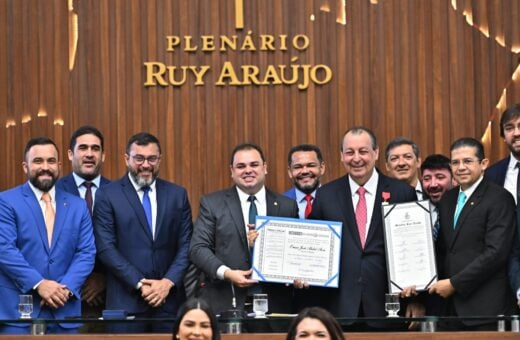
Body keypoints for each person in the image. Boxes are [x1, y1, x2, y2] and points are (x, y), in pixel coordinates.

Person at [305, 127, 416, 324]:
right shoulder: (326, 195)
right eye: (349, 152)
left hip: (388, 307)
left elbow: (415, 248)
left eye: (363, 151)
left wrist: (418, 299)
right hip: (339, 308)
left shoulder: (402, 193)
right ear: (341, 156)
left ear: (376, 153)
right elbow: (312, 248)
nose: (356, 158)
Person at [93, 132, 192, 333]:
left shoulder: (177, 195)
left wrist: (167, 283)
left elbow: (187, 245)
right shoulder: (107, 195)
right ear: (126, 159)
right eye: (139, 158)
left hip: (169, 304)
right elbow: (105, 248)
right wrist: (141, 284)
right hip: (125, 304)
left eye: (152, 159)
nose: (146, 165)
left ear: (160, 160)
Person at [0, 137, 96, 334]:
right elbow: (5, 250)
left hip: (65, 311)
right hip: (20, 314)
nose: (45, 167)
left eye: (51, 161)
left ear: (59, 165)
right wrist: (40, 284)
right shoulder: (6, 201)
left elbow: (86, 253)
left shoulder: (77, 206)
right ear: (25, 167)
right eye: (38, 161)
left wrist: (65, 289)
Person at [189, 143, 298, 314]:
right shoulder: (213, 204)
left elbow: (295, 252)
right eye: (241, 166)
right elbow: (198, 249)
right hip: (226, 301)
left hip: (275, 305)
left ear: (265, 168)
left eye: (254, 165)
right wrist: (227, 273)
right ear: (232, 171)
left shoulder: (287, 206)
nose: (248, 170)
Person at [429, 137, 516, 330]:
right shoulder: (448, 200)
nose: (460, 167)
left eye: (467, 161)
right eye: (455, 162)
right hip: (450, 310)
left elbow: (496, 253)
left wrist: (454, 284)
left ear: (483, 164)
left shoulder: (499, 198)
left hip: (485, 309)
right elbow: (444, 250)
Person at [56, 125, 110, 322]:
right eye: (83, 148)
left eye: (95, 149)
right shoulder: (53, 192)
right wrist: (77, 280)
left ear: (103, 155)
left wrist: (104, 280)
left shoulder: (120, 193)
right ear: (71, 154)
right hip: (62, 297)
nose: (89, 154)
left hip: (109, 299)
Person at [485, 103, 520, 309]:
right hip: (499, 281)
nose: (516, 133)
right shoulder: (491, 175)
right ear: (502, 135)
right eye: (509, 128)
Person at [283, 144, 326, 219]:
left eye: (311, 165)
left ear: (322, 168)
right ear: (290, 171)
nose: (305, 171)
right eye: (298, 167)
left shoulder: (337, 200)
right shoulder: (281, 203)